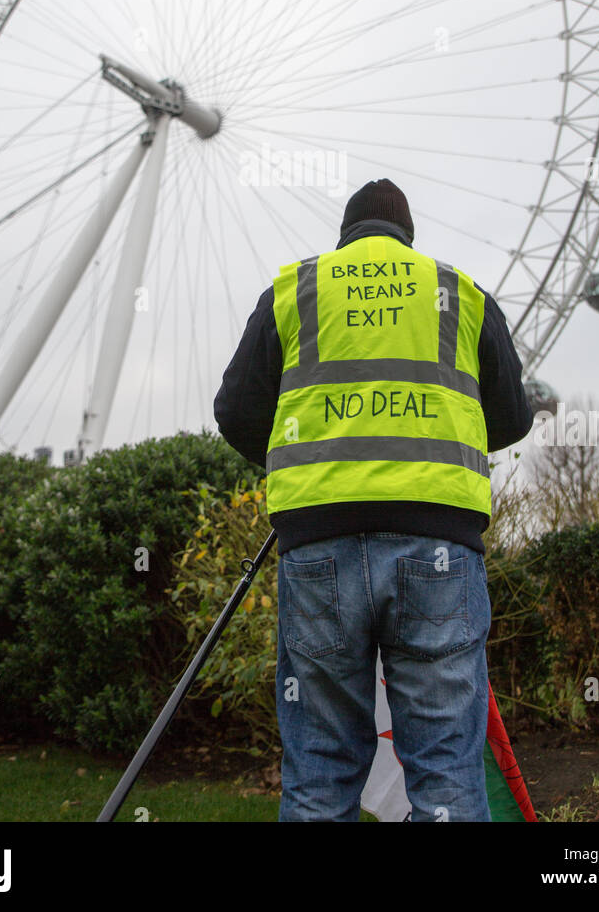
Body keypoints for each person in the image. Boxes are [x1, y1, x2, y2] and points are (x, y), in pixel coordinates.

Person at [213, 178, 532, 822]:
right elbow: (512, 415)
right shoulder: (459, 293)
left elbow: (237, 411)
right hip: (438, 547)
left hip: (318, 550)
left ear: (344, 236)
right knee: (446, 772)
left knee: (320, 772)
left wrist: (310, 466)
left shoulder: (295, 291)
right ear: (407, 237)